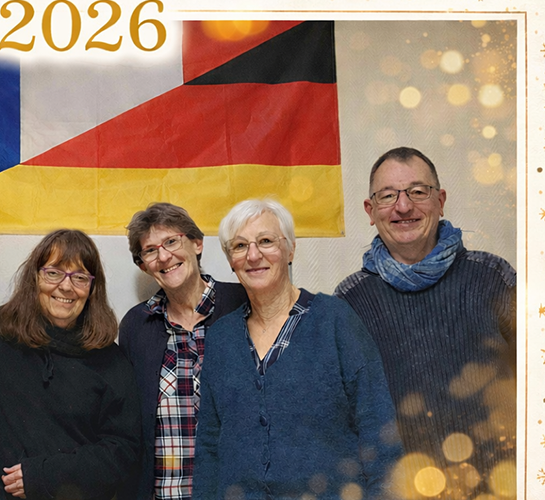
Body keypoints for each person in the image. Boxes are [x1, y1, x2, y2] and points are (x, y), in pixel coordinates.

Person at [334, 147, 516, 496]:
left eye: (418, 191)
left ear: (440, 201)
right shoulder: (348, 302)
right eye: (388, 195)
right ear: (370, 211)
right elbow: (340, 422)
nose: (404, 206)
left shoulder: (494, 278)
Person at [193, 198, 401, 500]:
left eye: (266, 241)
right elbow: (209, 446)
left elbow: (379, 429)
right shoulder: (221, 338)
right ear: (230, 260)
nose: (253, 255)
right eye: (239, 246)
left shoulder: (335, 320)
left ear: (290, 249)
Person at [0, 229, 142, 500]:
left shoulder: (110, 360)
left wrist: (48, 476)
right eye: (53, 273)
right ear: (34, 277)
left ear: (92, 289)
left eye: (80, 277)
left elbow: (124, 450)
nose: (66, 287)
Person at [117, 202, 248, 500]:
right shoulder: (136, 326)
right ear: (144, 266)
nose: (164, 256)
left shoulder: (243, 304)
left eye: (171, 241)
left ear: (197, 243)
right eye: (150, 250)